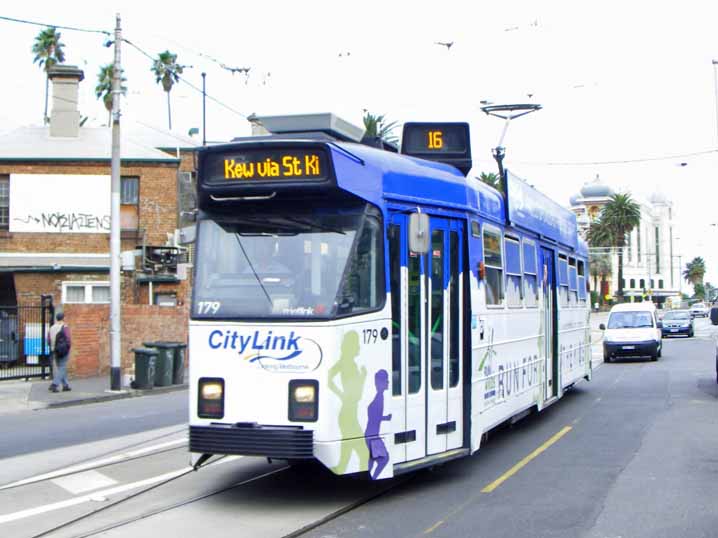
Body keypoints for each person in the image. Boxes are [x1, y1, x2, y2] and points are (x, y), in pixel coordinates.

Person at [47, 312, 72, 393]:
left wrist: (52, 347)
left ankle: (65, 386)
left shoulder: (52, 327)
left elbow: (48, 340)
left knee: (61, 367)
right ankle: (54, 384)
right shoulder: (64, 327)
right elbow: (68, 339)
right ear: (63, 318)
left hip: (54, 350)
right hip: (63, 350)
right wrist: (67, 348)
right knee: (62, 367)